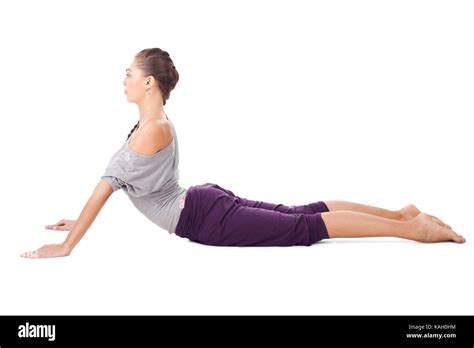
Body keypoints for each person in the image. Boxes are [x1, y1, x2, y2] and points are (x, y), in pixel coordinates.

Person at [21, 48, 466, 259]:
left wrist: (66, 245)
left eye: (129, 74)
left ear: (149, 83)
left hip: (202, 217)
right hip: (201, 200)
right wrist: (76, 221)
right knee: (302, 212)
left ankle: (415, 230)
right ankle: (399, 213)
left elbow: (104, 192)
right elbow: (118, 190)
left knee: (305, 227)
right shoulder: (155, 124)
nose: (124, 81)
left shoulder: (147, 131)